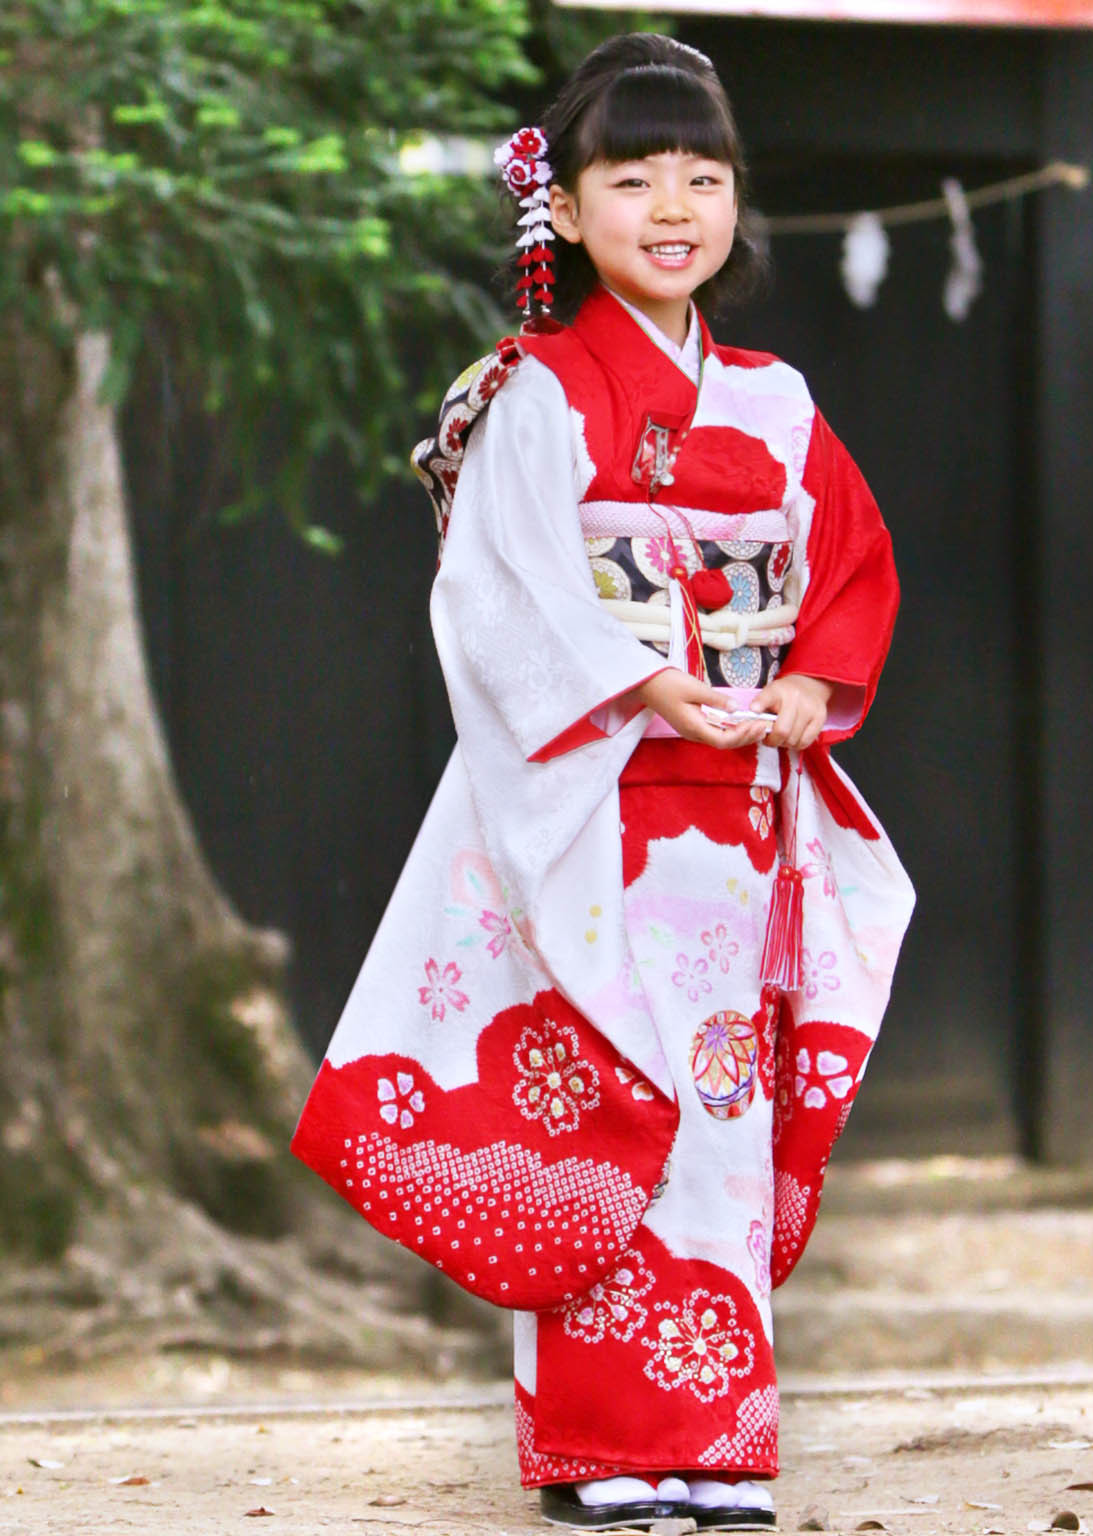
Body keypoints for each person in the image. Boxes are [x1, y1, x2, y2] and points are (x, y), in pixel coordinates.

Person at [292, 31, 914, 1532]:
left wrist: (806, 692)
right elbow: (501, 589)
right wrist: (647, 685)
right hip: (599, 812)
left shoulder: (774, 399)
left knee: (717, 1107)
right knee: (598, 1114)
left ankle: (720, 1437)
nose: (676, 207)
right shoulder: (535, 390)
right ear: (563, 210)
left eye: (704, 176)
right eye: (633, 179)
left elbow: (849, 561)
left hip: (741, 808)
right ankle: (599, 1441)